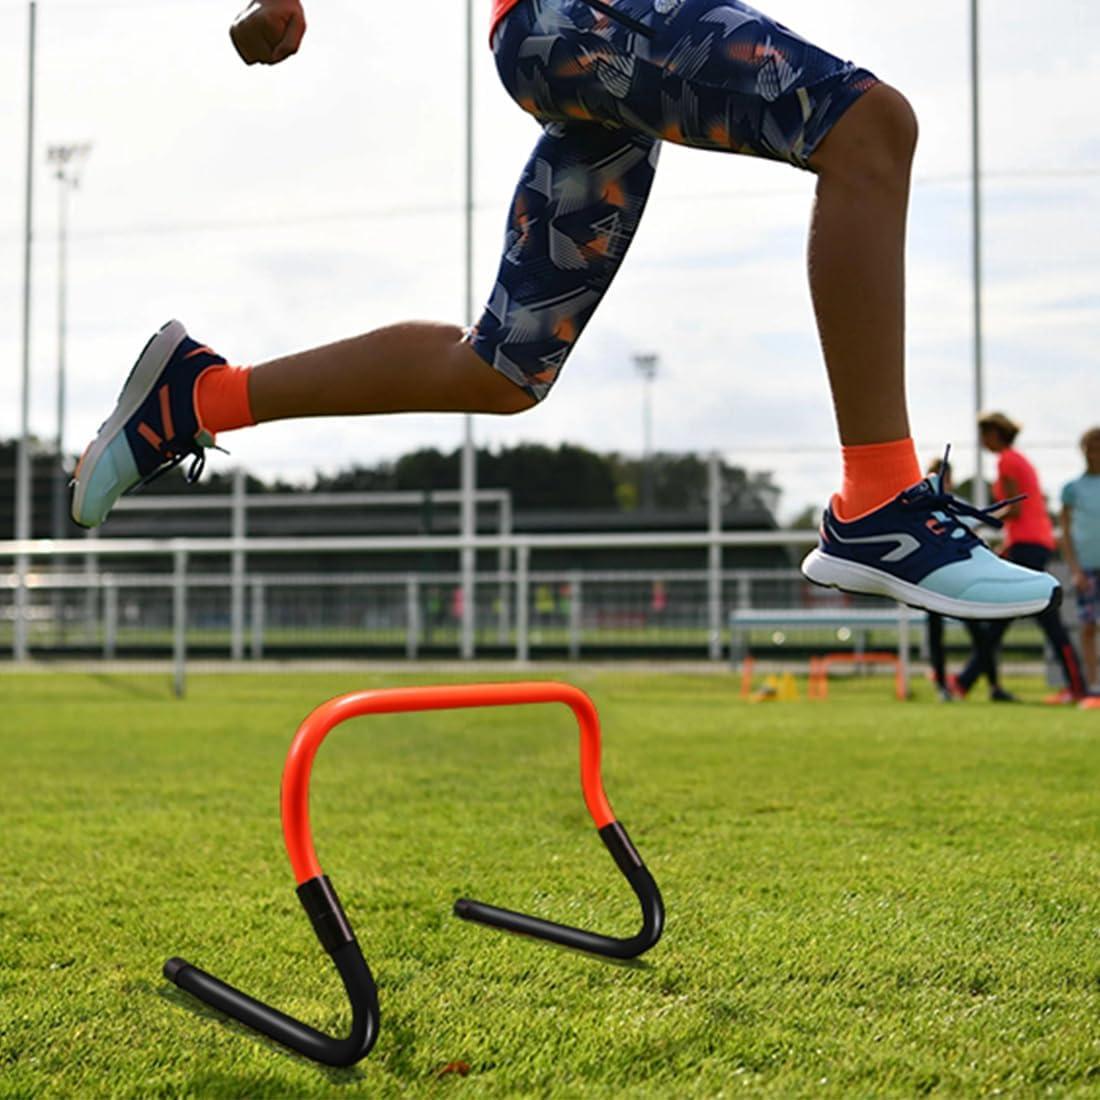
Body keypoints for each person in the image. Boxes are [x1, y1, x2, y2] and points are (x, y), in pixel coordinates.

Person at [71, 0, 1059, 622]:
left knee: (500, 370)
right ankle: (877, 503)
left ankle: (201, 395)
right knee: (864, 125)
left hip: (583, 46)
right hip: (578, 19)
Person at [951, 413, 1087, 703]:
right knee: (1005, 618)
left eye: (984, 435)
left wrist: (977, 521)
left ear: (995, 434)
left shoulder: (1007, 461)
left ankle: (1078, 687)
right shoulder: (1018, 459)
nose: (982, 442)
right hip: (1032, 543)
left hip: (1026, 544)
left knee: (1033, 619)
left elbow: (1013, 511)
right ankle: (965, 682)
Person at [922, 456, 1009, 702]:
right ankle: (942, 687)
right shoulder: (919, 506)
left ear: (950, 480)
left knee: (979, 633)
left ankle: (994, 685)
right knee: (936, 634)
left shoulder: (956, 504)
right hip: (931, 578)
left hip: (959, 579)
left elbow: (979, 523)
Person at [1060, 426, 1100, 696]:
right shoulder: (1072, 489)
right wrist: (1075, 569)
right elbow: (1064, 531)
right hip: (1086, 568)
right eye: (1090, 447)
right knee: (1088, 627)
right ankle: (1094, 686)